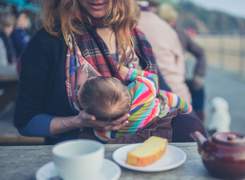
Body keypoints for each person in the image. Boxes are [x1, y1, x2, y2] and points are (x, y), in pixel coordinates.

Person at [14, 0, 207, 145]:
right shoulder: (48, 41)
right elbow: (25, 121)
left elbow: (160, 93)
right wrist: (76, 121)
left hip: (142, 134)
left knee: (191, 126)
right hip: (84, 144)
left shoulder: (136, 38)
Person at [79, 67, 192, 142]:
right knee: (165, 95)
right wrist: (130, 73)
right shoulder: (141, 89)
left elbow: (103, 138)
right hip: (162, 112)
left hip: (147, 129)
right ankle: (187, 107)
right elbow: (153, 78)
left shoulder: (106, 129)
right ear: (117, 81)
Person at [158, 4, 207, 121]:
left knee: (198, 88)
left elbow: (200, 53)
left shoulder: (181, 34)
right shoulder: (157, 34)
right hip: (163, 80)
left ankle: (199, 123)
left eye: (170, 21)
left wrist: (198, 75)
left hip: (180, 78)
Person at [137, 0, 192, 104]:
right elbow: (181, 67)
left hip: (149, 97)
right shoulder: (168, 29)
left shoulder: (128, 26)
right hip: (178, 92)